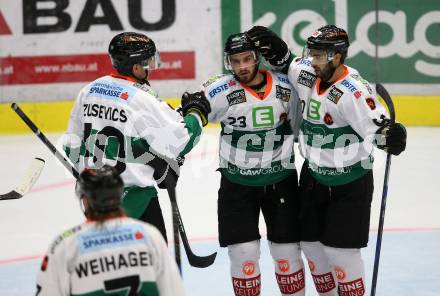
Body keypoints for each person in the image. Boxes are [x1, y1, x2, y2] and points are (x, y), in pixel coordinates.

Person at [247, 25, 407, 295]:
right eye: (312, 53)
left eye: (319, 55)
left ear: (337, 56)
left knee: (341, 253)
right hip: (314, 178)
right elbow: (289, 63)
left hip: (350, 182)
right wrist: (277, 49)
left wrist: (390, 135)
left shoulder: (354, 91)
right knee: (311, 246)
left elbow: (378, 127)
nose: (313, 60)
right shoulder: (309, 73)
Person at [62, 32, 211, 242]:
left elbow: (72, 145)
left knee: (109, 262)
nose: (151, 65)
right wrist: (195, 113)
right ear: (135, 67)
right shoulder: (141, 97)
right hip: (138, 201)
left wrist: (84, 174)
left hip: (94, 199)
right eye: (148, 61)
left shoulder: (89, 90)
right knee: (150, 263)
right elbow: (180, 139)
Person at [191, 32, 305, 295]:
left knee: (287, 253)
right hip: (236, 185)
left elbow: (312, 110)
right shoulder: (218, 90)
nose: (242, 66)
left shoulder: (286, 86)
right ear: (228, 62)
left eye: (247, 59)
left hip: (281, 182)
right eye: (235, 61)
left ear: (257, 58)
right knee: (244, 254)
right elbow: (191, 117)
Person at [35, 165, 185, 296]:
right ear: (120, 195)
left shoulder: (65, 245)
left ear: (86, 200)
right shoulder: (150, 237)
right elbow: (173, 292)